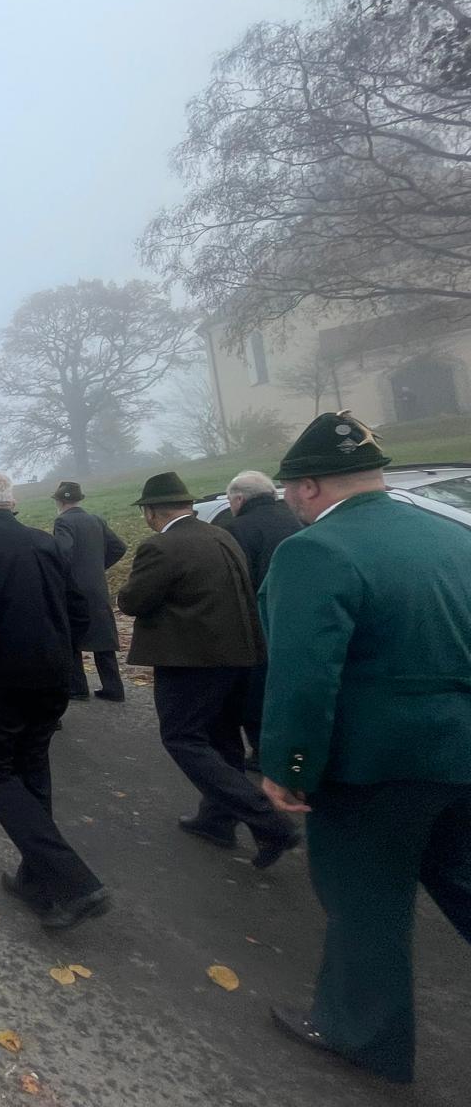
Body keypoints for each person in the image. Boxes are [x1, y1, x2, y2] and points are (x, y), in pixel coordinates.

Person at [257, 412, 471, 1085]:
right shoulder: (451, 536)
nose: (290, 499)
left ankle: (363, 1035)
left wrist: (289, 766)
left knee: (366, 902)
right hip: (461, 750)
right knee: (463, 880)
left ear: (310, 486)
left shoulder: (314, 551)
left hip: (374, 765)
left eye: (291, 487)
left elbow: (303, 676)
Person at [0, 470, 109, 931]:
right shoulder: (44, 541)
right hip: (52, 677)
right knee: (32, 766)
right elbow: (78, 607)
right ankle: (37, 881)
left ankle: (75, 882)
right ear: (12, 502)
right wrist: (62, 652)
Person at [117, 472, 300, 869]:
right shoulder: (222, 534)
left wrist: (123, 594)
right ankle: (217, 820)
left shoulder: (161, 546)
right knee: (223, 739)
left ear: (151, 511)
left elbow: (134, 601)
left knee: (182, 737)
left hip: (191, 660)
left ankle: (269, 821)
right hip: (240, 655)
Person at [218, 469, 303, 763]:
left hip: (257, 620)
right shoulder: (295, 517)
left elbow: (235, 582)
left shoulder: (237, 529)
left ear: (239, 499)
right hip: (298, 613)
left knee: (255, 691)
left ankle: (263, 752)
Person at [50, 481, 128, 702]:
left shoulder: (63, 522)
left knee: (72, 637)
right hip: (98, 587)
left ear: (59, 501)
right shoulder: (96, 520)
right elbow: (119, 547)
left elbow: (63, 553)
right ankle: (113, 688)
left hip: (73, 589)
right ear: (79, 499)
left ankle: (78, 688)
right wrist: (98, 566)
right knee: (103, 639)